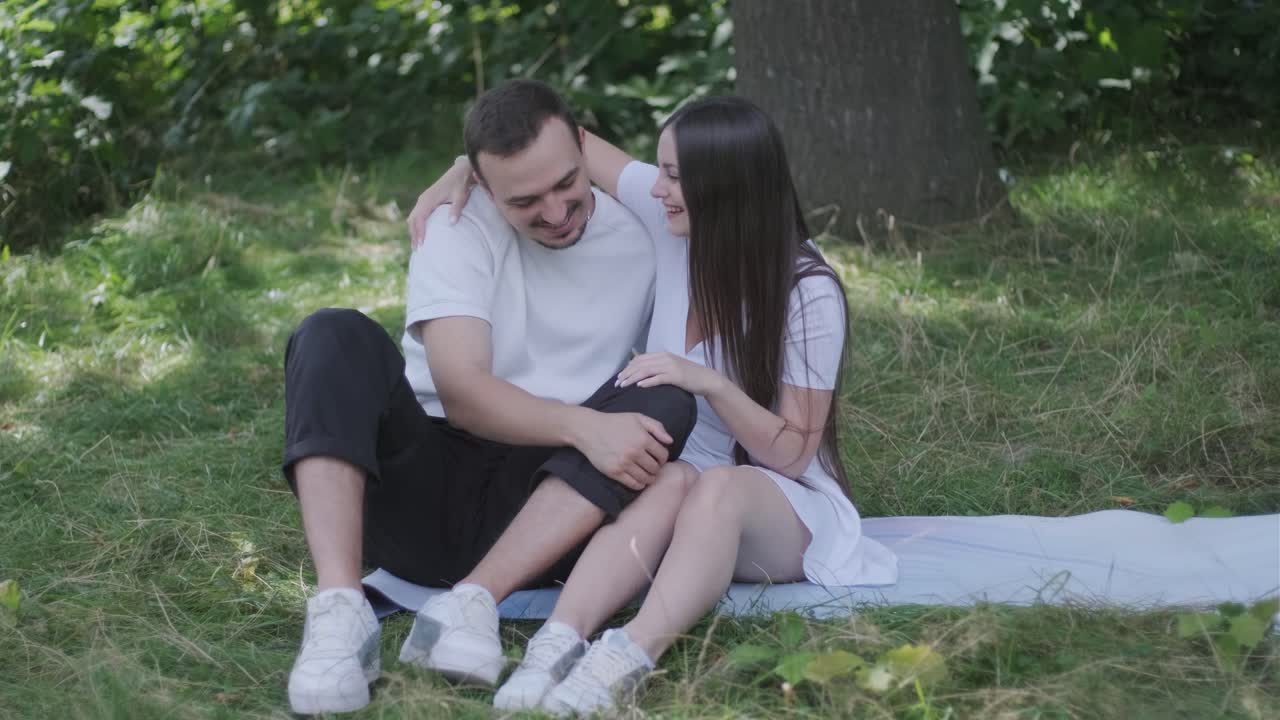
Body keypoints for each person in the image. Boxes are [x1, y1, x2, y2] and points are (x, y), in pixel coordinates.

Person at [409, 96, 898, 715]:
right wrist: (464, 169)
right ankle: (555, 646)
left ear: (724, 187)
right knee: (673, 481)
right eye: (660, 170)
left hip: (776, 505)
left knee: (715, 486)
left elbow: (795, 454)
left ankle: (625, 659)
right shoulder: (673, 227)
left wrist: (711, 383)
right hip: (673, 484)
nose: (655, 185)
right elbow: (564, 141)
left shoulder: (807, 291)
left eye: (672, 176)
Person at [282, 79, 697, 715]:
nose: (556, 212)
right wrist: (584, 426)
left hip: (547, 505)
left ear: (586, 152)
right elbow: (465, 393)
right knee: (331, 333)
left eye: (566, 184)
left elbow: (749, 218)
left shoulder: (642, 234)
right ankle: (340, 615)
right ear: (480, 180)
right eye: (526, 200)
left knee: (668, 396)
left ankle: (472, 602)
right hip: (425, 482)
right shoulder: (455, 221)